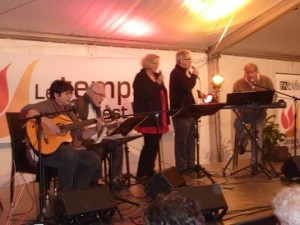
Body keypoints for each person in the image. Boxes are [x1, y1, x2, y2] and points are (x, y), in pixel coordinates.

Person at [21, 80, 102, 192]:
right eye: (67, 93)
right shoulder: (47, 105)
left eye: (71, 93)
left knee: (93, 159)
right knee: (70, 153)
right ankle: (64, 194)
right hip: (46, 152)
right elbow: (27, 112)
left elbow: (81, 135)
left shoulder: (69, 111)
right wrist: (48, 124)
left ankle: (78, 192)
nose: (70, 96)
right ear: (56, 95)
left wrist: (95, 129)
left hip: (63, 152)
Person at [72, 82, 125, 187]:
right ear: (91, 93)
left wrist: (109, 127)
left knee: (117, 143)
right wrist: (85, 128)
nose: (103, 98)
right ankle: (96, 179)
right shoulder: (78, 103)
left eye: (104, 95)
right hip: (83, 140)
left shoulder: (97, 107)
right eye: (101, 95)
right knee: (98, 147)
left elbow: (99, 126)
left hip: (97, 138)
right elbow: (74, 123)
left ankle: (114, 178)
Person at [133, 53, 170, 182]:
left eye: (158, 63)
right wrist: (158, 84)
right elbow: (145, 96)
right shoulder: (140, 77)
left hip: (160, 116)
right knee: (150, 145)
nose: (157, 65)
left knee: (154, 146)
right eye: (155, 63)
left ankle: (149, 171)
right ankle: (142, 173)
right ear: (148, 63)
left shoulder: (156, 76)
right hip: (149, 117)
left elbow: (162, 95)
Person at [233, 62, 275, 175]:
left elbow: (273, 95)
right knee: (237, 123)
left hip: (259, 115)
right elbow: (234, 99)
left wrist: (271, 101)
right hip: (244, 114)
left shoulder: (266, 80)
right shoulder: (238, 83)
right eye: (247, 72)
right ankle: (243, 142)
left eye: (251, 72)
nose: (250, 75)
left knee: (257, 137)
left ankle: (254, 164)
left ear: (257, 71)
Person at [169, 49, 201, 174]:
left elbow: (186, 91)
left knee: (190, 140)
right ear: (181, 61)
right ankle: (181, 167)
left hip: (189, 112)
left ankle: (191, 164)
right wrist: (194, 75)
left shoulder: (183, 73)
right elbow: (186, 87)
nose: (191, 61)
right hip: (181, 114)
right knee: (182, 141)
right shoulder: (176, 73)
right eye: (188, 59)